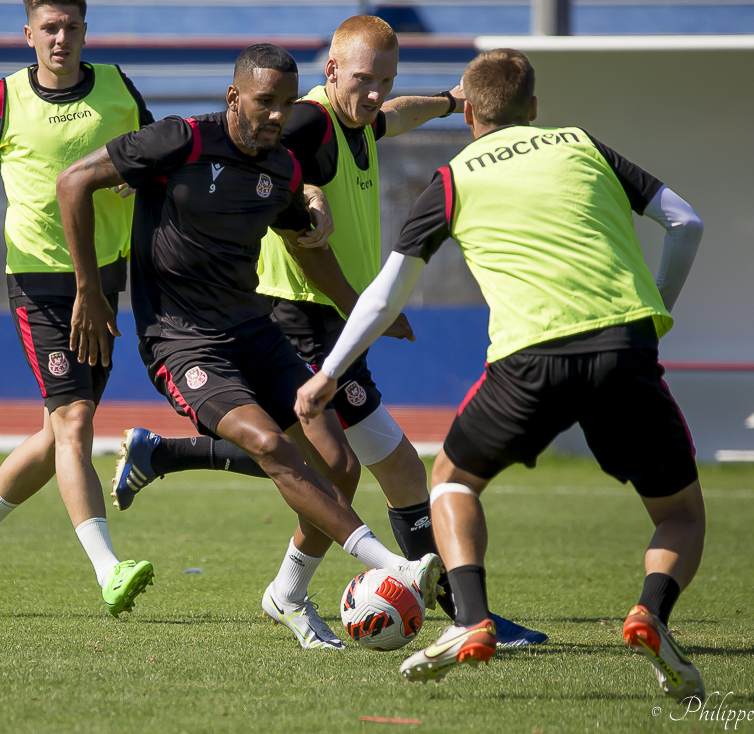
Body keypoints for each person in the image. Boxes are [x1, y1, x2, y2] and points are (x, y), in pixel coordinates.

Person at [110, 16, 546, 648]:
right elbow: (273, 158)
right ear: (332, 71)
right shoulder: (309, 120)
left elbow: (391, 116)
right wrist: (311, 196)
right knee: (368, 466)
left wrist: (450, 102)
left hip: (333, 319)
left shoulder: (356, 120)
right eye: (364, 79)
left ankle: (178, 469)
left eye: (385, 81)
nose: (376, 94)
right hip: (301, 317)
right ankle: (462, 615)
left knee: (347, 465)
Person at [296, 48, 707, 698]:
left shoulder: (453, 178)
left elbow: (383, 296)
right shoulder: (582, 145)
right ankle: (650, 614)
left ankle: (471, 619)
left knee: (451, 482)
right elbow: (686, 221)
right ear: (534, 108)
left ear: (469, 116)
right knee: (679, 515)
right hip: (625, 346)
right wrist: (657, 312)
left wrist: (328, 372)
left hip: (529, 356)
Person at [56, 43, 444, 648]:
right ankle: (393, 566)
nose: (277, 115)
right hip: (182, 342)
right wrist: (90, 291)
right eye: (266, 101)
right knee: (268, 445)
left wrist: (358, 305)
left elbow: (304, 244)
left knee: (339, 466)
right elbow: (73, 181)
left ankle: (287, 595)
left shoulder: (283, 169)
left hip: (254, 333)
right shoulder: (181, 140)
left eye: (287, 103)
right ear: (234, 96)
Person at [0, 0, 155, 617]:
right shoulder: (2, 98)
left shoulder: (117, 88)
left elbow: (156, 156)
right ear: (28, 33)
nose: (61, 38)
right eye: (49, 28)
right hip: (38, 283)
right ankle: (109, 570)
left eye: (71, 27)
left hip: (104, 279)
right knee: (76, 423)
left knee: (58, 431)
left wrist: (137, 176)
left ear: (85, 31)